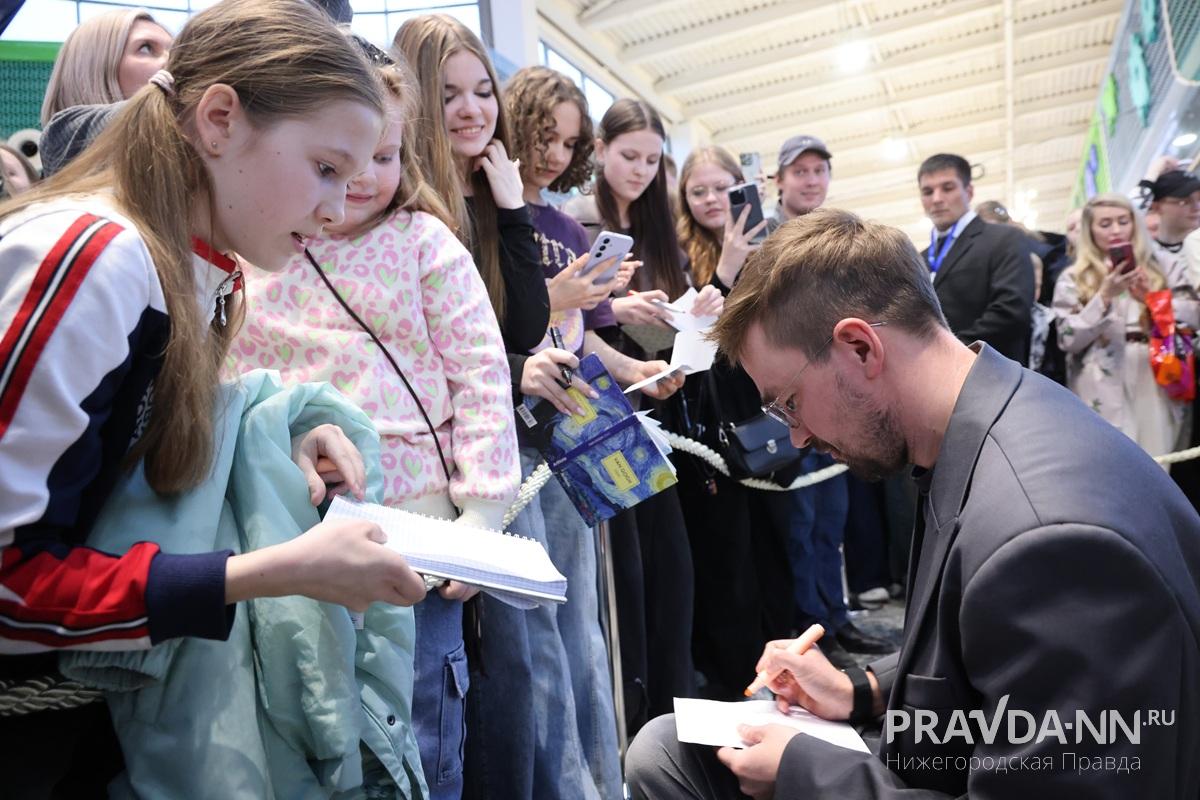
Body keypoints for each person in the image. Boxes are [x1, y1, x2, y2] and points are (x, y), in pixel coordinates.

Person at [624, 208, 1200, 799]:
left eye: (787, 403)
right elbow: (995, 649)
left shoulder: (1048, 543)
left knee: (670, 758)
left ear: (859, 348)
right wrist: (864, 689)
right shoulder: (993, 415)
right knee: (671, 748)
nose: (794, 436)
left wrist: (806, 773)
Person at [0, 0, 427, 794]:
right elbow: (9, 582)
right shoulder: (94, 256)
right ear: (220, 119)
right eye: (327, 168)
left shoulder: (186, 266)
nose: (337, 209)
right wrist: (269, 573)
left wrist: (279, 430)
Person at [227, 52, 521, 798]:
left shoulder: (425, 244)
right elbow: (231, 377)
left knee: (421, 722)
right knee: (306, 727)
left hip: (418, 539)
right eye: (339, 159)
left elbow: (481, 376)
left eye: (384, 156)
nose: (362, 177)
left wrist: (482, 514)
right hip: (289, 539)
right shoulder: (259, 254)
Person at [500, 64, 682, 799]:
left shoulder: (566, 225)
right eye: (543, 135)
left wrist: (638, 374)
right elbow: (501, 327)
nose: (552, 154)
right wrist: (556, 297)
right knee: (543, 627)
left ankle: (605, 771)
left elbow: (584, 339)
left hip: (582, 417)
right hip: (518, 428)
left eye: (567, 141)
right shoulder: (493, 218)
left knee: (591, 612)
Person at [393, 16, 552, 799]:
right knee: (468, 681)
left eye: (482, 90)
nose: (469, 108)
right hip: (442, 485)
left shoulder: (486, 198)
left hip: (499, 466)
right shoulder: (402, 209)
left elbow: (522, 325)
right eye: (447, 93)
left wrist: (514, 205)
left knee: (516, 668)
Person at [563, 98, 713, 733]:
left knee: (672, 575)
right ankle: (639, 731)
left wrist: (683, 324)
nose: (642, 170)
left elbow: (646, 335)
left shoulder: (657, 227)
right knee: (626, 585)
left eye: (653, 160)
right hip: (592, 416)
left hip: (654, 405)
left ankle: (675, 718)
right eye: (629, 156)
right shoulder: (571, 221)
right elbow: (571, 323)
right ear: (598, 151)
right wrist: (619, 309)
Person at [673, 144, 812, 697]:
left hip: (770, 420)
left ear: (743, 188)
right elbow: (688, 341)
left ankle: (790, 676)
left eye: (722, 189)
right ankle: (737, 686)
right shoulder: (680, 253)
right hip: (706, 436)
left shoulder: (772, 246)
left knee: (780, 552)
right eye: (698, 191)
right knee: (728, 567)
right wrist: (724, 271)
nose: (711, 201)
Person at [1052, 193, 1198, 466]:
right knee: (1109, 462)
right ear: (1090, 230)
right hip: (1098, 376)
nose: (1117, 230)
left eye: (1123, 221)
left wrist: (1152, 300)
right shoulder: (1074, 277)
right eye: (1105, 224)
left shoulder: (1164, 264)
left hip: (1157, 370)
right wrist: (1103, 297)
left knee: (1159, 458)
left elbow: (1193, 314)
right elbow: (1068, 338)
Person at [918, 153, 1034, 364]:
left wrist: (951, 353)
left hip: (993, 372)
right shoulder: (919, 259)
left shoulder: (1004, 239)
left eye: (948, 188)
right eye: (927, 191)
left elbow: (1012, 312)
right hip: (934, 380)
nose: (936, 199)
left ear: (969, 191)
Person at [38, 8, 172, 176]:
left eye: (175, 52)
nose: (171, 60)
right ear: (93, 68)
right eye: (146, 48)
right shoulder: (64, 135)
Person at [767, 134, 831, 231]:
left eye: (819, 171)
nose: (812, 182)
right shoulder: (756, 235)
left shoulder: (838, 235)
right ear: (779, 180)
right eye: (800, 172)